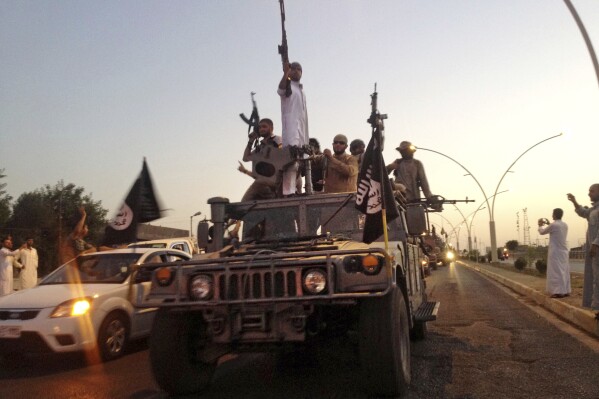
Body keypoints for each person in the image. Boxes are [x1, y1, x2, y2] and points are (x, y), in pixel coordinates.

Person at [278, 61, 309, 196]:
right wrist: (285, 73)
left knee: (302, 161)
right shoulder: (288, 86)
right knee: (291, 161)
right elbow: (280, 89)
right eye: (293, 68)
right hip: (291, 129)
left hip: (302, 130)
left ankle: (299, 190)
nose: (296, 71)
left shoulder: (301, 90)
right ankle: (288, 192)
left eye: (299, 69)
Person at [567, 184, 599, 314]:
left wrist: (596, 244)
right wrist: (574, 201)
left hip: (597, 248)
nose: (589, 193)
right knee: (595, 277)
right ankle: (595, 304)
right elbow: (582, 212)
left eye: (592, 191)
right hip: (594, 251)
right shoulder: (593, 210)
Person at [238, 118, 282, 201]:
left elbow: (282, 154)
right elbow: (246, 158)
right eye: (260, 127)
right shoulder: (260, 147)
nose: (261, 129)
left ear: (271, 128)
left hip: (277, 179)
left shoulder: (277, 140)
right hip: (265, 181)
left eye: (264, 127)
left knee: (245, 201)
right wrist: (251, 141)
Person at [537, 209, 571, 298]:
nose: (552, 215)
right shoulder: (564, 225)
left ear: (555, 215)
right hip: (563, 251)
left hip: (555, 251)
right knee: (564, 271)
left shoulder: (554, 225)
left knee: (556, 271)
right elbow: (555, 230)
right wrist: (549, 224)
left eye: (552, 214)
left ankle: (557, 291)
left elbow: (542, 232)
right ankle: (566, 290)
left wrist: (540, 225)